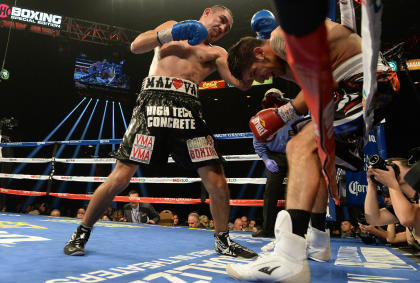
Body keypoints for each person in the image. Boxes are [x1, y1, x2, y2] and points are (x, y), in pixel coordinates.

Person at [63, 5, 256, 259]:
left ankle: (223, 240)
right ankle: (81, 232)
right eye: (221, 20)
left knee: (217, 180)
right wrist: (173, 33)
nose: (222, 28)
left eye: (227, 28)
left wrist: (254, 59)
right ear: (207, 12)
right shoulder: (171, 26)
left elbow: (242, 83)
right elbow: (136, 45)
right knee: (120, 178)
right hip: (151, 106)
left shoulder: (216, 52)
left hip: (188, 112)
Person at [225, 10, 399, 283]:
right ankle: (318, 243)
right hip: (352, 88)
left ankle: (288, 259)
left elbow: (321, 83)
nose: (261, 80)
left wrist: (284, 113)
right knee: (308, 151)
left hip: (366, 82)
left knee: (298, 147)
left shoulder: (282, 37)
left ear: (259, 53)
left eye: (254, 74)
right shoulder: (285, 63)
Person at [252, 88, 301, 238]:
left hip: (295, 153)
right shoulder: (261, 118)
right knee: (270, 192)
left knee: (297, 191)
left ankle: (298, 230)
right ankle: (268, 229)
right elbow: (258, 142)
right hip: (274, 156)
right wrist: (266, 159)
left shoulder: (293, 113)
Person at [364, 157, 420, 244]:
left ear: (411, 168)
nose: (390, 171)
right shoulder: (406, 201)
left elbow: (406, 218)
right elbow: (373, 219)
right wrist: (372, 184)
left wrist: (391, 183)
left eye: (393, 167)